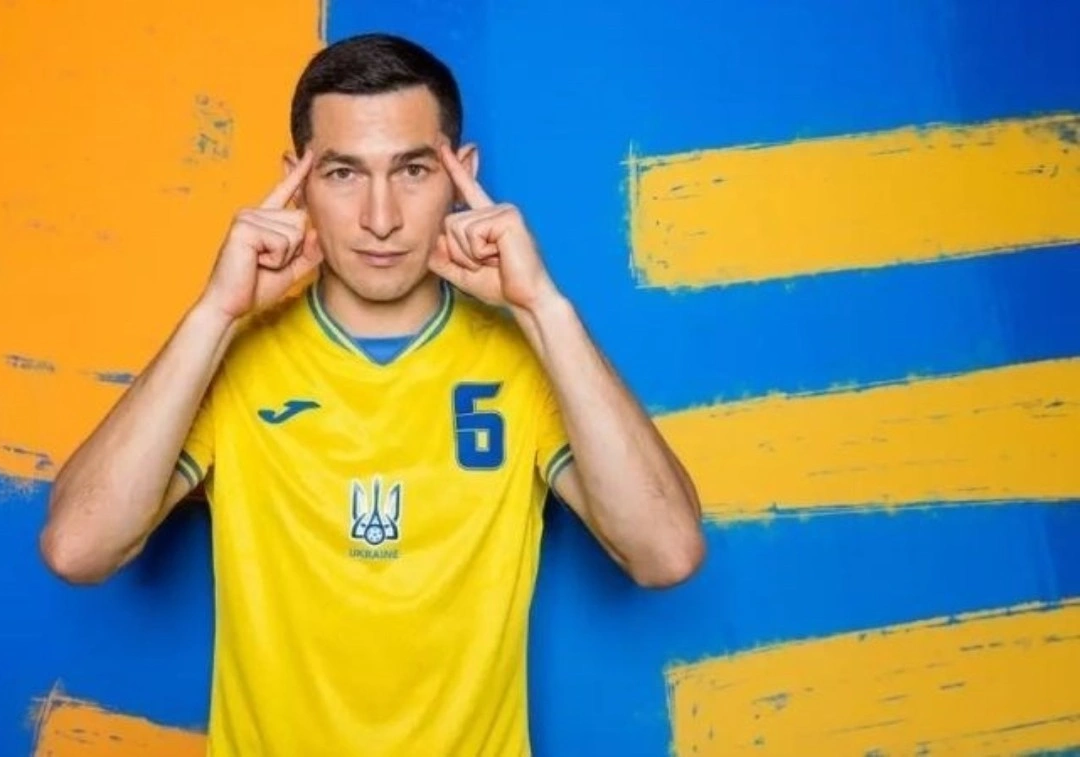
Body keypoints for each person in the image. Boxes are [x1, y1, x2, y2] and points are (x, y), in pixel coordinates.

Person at [40, 32, 704, 757]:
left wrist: (544, 307)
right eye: (343, 173)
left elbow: (666, 554)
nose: (380, 217)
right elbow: (78, 549)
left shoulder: (526, 358)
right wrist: (214, 314)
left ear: (462, 173)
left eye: (413, 170)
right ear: (296, 182)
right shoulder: (231, 356)